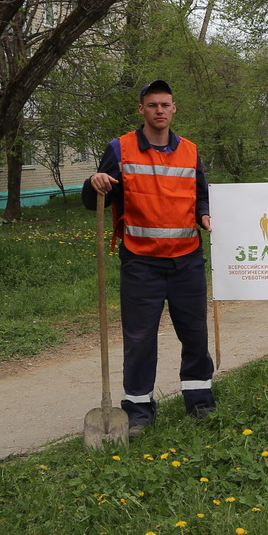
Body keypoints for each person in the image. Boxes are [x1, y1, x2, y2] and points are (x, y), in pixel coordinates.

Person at [82, 79, 215, 436]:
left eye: (165, 104)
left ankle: (200, 401)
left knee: (195, 334)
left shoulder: (190, 150)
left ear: (174, 109)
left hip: (187, 259)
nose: (159, 110)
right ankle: (139, 409)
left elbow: (201, 195)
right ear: (142, 109)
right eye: (152, 105)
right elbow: (97, 196)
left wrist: (204, 215)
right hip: (141, 263)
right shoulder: (120, 148)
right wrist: (95, 183)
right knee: (140, 338)